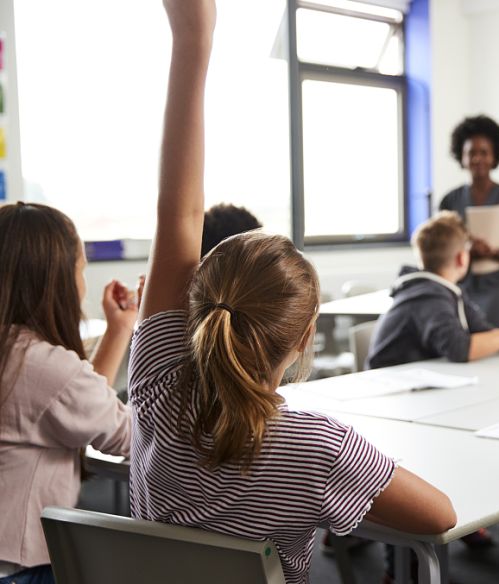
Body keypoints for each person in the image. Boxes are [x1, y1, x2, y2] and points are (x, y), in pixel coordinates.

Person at [128, 4, 455, 584]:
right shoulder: (316, 448)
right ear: (307, 335)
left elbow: (176, 216)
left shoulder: (155, 385)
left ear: (198, 303)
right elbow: (440, 515)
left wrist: (191, 41)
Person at [0, 202, 137, 584]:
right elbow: (131, 438)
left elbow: (73, 403)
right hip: (20, 568)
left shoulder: (17, 355)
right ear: (56, 278)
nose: (84, 279)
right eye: (81, 267)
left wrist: (118, 329)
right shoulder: (40, 364)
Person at [368, 211, 499, 369]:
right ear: (462, 258)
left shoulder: (450, 292)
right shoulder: (426, 296)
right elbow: (459, 349)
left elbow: (482, 331)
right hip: (392, 390)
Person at [439, 115, 499, 327]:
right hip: (461, 287)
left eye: (484, 153)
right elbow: (439, 252)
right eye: (471, 153)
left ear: (494, 156)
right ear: (461, 157)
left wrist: (494, 252)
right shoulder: (450, 200)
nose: (478, 159)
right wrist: (469, 250)